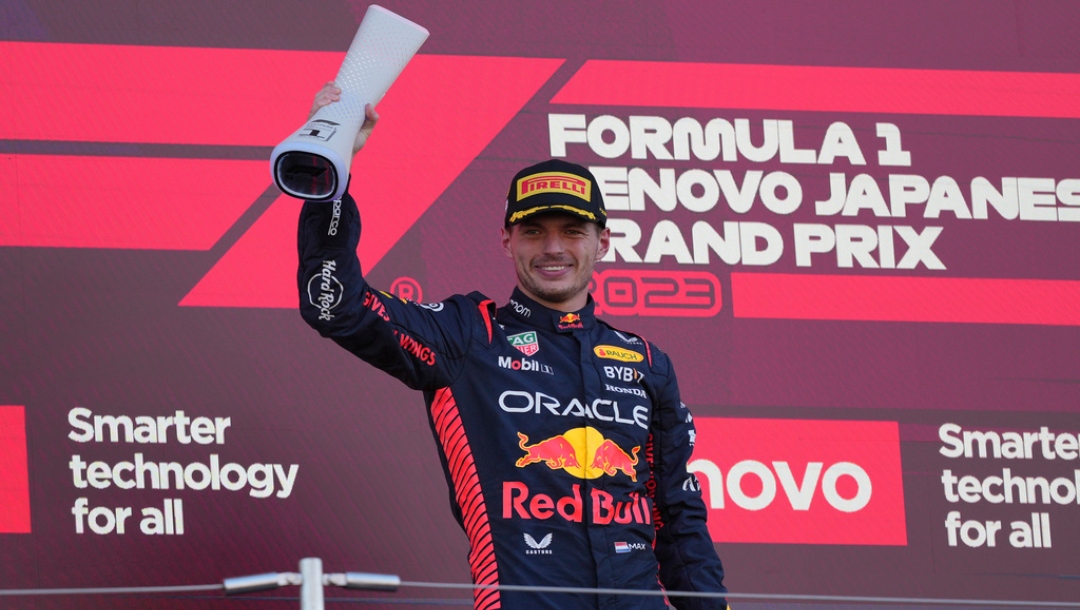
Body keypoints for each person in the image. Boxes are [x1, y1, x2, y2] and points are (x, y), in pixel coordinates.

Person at [297, 82, 728, 610]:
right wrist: (330, 174)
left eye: (572, 231)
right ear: (507, 240)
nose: (553, 248)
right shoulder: (466, 336)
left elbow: (678, 515)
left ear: (602, 242)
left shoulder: (646, 362)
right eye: (533, 231)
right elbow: (335, 306)